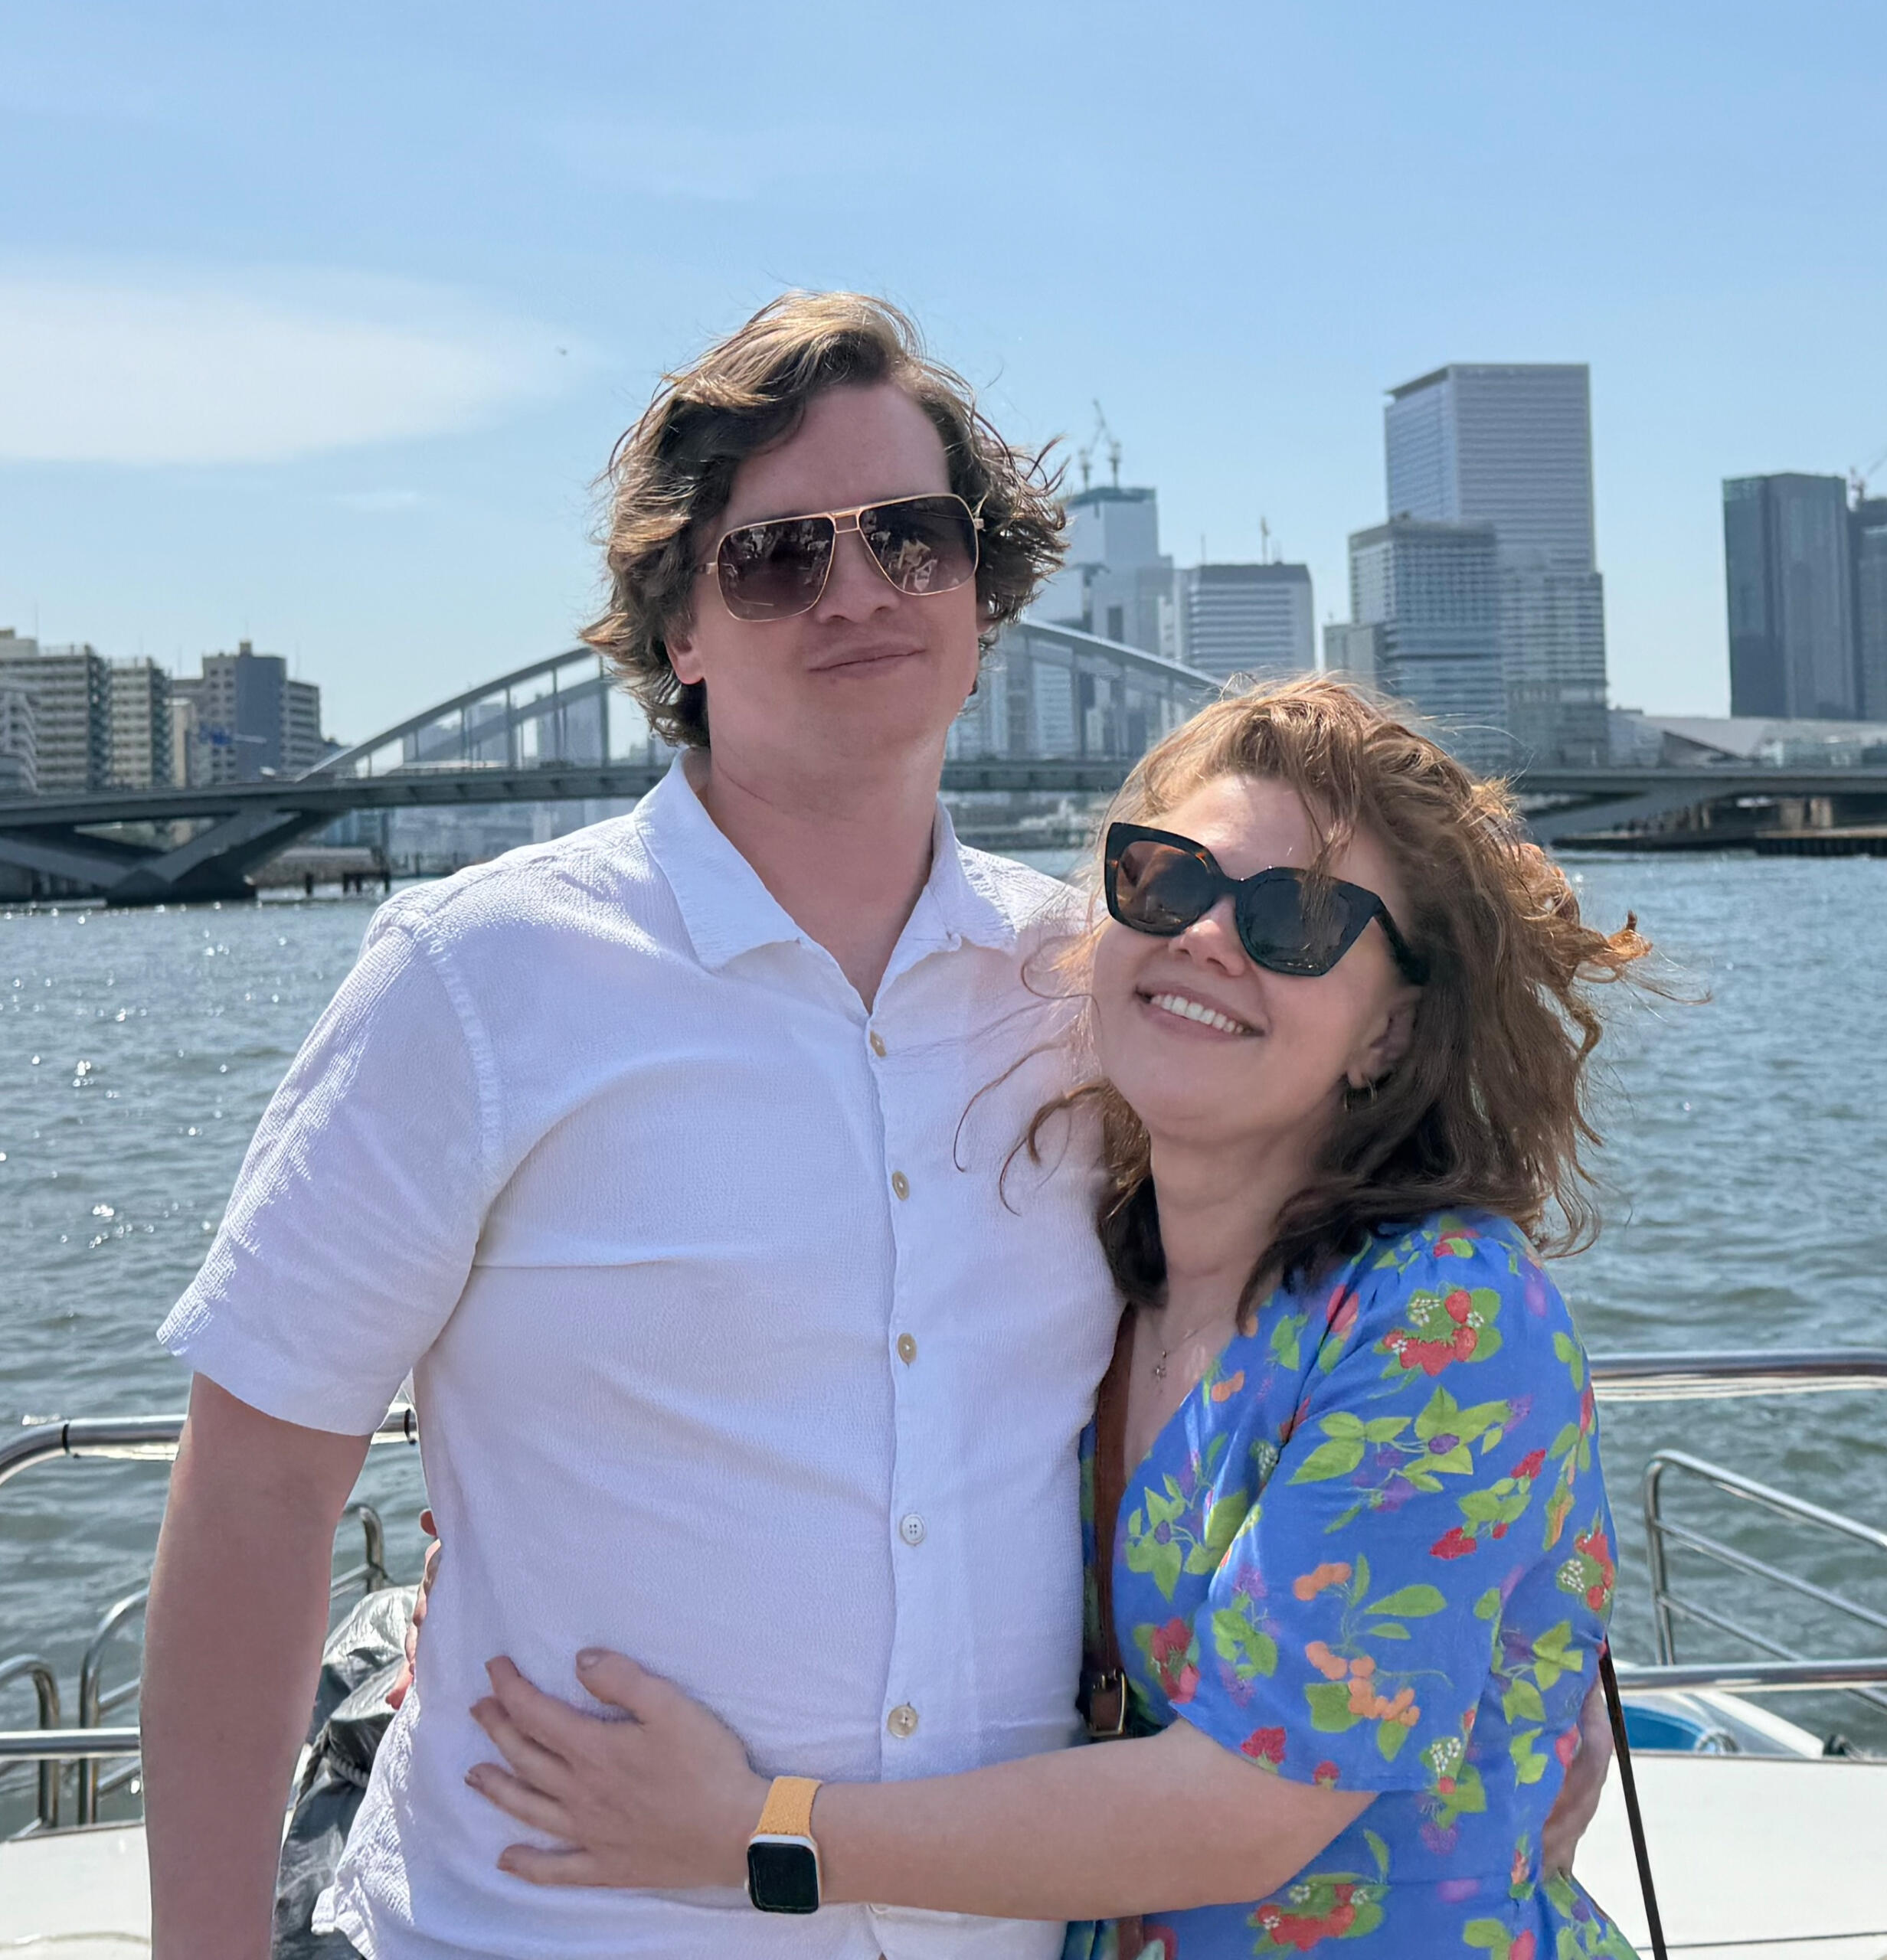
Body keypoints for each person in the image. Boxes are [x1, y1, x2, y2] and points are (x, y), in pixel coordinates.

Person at [140, 291, 1608, 1960]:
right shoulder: (479, 979)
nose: (858, 592)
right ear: (678, 631)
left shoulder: (1088, 997)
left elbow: (1313, 1355)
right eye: (778, 558)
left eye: (912, 538)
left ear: (979, 595)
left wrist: (1504, 1662)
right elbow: (256, 1490)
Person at [456, 679, 1647, 1956]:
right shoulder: (1088, 1269)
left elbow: (1246, 1809)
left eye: (1296, 919)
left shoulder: (1443, 1317)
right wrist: (513, 1550)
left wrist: (756, 1834)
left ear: (1390, 1033)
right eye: (1166, 881)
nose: (1208, 937)